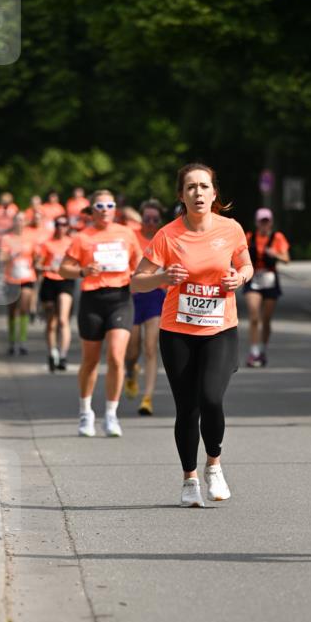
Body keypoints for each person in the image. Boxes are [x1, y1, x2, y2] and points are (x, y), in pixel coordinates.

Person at [131, 163, 253, 507]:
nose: (198, 193)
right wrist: (162, 278)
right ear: (181, 195)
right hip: (177, 331)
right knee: (187, 408)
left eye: (203, 186)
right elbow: (136, 281)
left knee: (211, 397)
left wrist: (239, 278)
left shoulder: (231, 229)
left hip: (220, 328)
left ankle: (214, 464)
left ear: (214, 193)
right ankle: (189, 479)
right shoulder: (168, 235)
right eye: (190, 188)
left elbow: (246, 264)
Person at [60, 189, 142, 438]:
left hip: (120, 298)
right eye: (100, 206)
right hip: (92, 299)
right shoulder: (82, 237)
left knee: (117, 357)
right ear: (91, 210)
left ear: (115, 208)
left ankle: (111, 414)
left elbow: (139, 263)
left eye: (109, 205)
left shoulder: (126, 234)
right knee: (91, 361)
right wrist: (83, 271)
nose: (105, 210)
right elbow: (64, 269)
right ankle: (86, 412)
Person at [124, 199, 166, 415]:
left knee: (150, 347)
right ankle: (130, 371)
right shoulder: (131, 235)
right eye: (146, 219)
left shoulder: (166, 238)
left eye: (155, 219)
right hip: (132, 296)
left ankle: (147, 397)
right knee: (132, 347)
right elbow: (124, 212)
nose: (150, 223)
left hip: (156, 296)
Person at [244, 208, 290, 367]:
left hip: (270, 279)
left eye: (267, 221)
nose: (264, 224)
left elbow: (286, 259)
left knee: (266, 319)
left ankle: (262, 348)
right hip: (254, 278)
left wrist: (274, 254)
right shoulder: (249, 237)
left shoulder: (277, 238)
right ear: (257, 222)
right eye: (262, 221)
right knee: (254, 316)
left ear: (271, 223)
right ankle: (254, 351)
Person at [0, 212, 39, 355]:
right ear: (13, 222)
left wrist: (39, 260)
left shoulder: (31, 237)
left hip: (27, 278)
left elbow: (37, 256)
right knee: (11, 311)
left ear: (25, 222)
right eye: (17, 220)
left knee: (24, 308)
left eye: (22, 220)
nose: (20, 223)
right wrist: (11, 255)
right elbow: (1, 258)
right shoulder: (7, 238)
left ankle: (22, 342)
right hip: (11, 279)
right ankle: (11, 341)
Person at [36, 215, 73, 371]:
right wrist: (47, 268)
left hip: (66, 281)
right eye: (58, 224)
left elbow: (80, 262)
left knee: (63, 320)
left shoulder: (72, 243)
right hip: (50, 281)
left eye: (64, 224)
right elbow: (37, 264)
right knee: (51, 322)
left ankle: (63, 355)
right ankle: (52, 352)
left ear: (67, 227)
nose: (61, 227)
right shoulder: (47, 244)